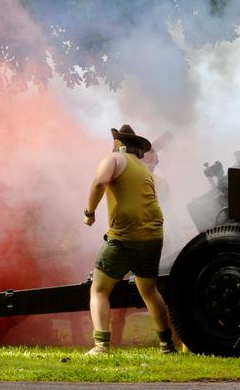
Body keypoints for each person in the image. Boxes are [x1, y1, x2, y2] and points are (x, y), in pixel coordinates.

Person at [83, 124, 175, 355]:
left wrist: (89, 213)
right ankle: (167, 345)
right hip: (153, 237)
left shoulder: (114, 159)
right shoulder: (146, 172)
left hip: (124, 236)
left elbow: (99, 182)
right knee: (149, 291)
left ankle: (101, 346)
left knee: (99, 290)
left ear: (119, 145)